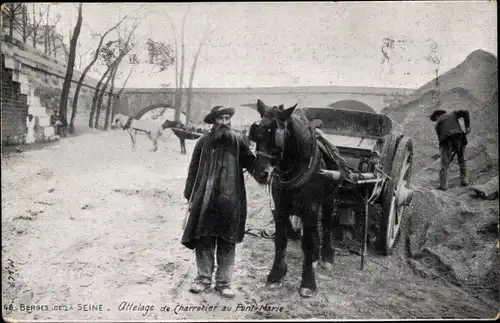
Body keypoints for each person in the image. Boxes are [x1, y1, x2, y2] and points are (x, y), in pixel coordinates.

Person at [181, 105, 256, 298]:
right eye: (221, 118)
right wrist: (190, 195)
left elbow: (254, 166)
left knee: (227, 240)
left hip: (231, 200)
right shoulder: (202, 143)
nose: (225, 122)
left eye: (227, 118)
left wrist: (267, 164)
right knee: (204, 238)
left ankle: (224, 283)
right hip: (205, 200)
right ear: (213, 121)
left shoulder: (239, 142)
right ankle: (203, 279)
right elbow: (193, 170)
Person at [430, 109, 471, 190]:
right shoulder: (452, 114)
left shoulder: (437, 124)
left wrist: (445, 157)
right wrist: (467, 126)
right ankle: (465, 181)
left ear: (437, 116)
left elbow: (441, 141)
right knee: (461, 160)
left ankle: (443, 186)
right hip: (459, 136)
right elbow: (465, 112)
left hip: (446, 139)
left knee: (444, 164)